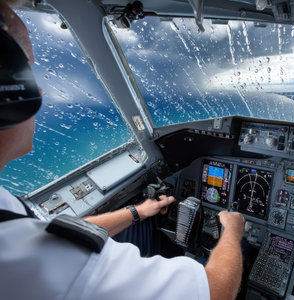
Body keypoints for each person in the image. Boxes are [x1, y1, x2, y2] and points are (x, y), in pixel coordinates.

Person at [0, 0, 245, 299]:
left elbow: (51, 231)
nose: (39, 90)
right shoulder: (51, 264)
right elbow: (217, 292)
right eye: (25, 70)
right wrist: (233, 231)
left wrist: (138, 211)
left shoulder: (9, 214)